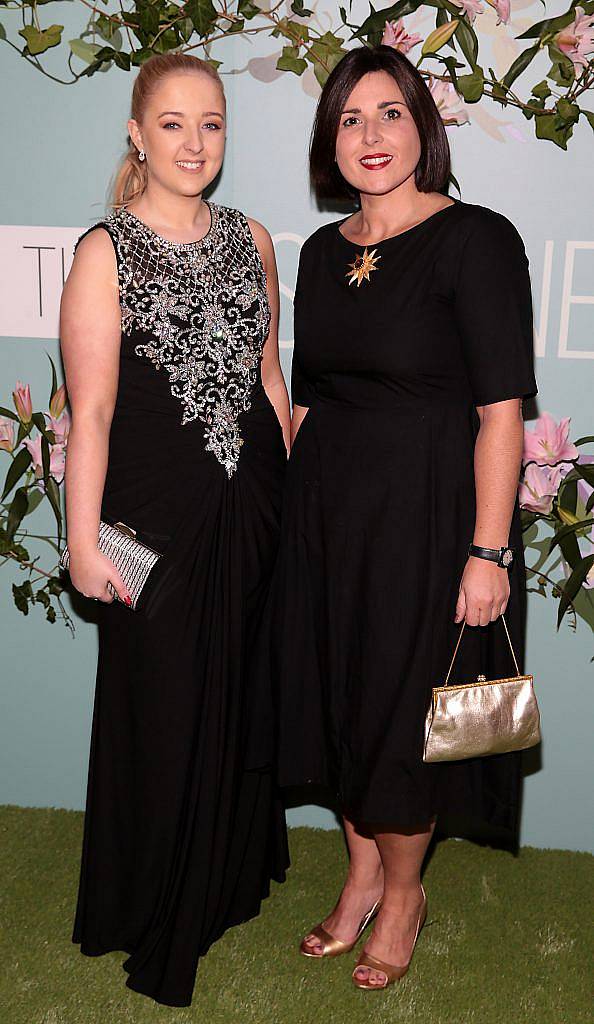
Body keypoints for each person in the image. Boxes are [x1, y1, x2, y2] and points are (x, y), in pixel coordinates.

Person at [271, 45, 537, 991]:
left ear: (422, 126)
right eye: (349, 119)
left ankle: (406, 892)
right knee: (337, 703)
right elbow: (306, 404)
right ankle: (357, 877)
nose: (370, 136)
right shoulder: (315, 252)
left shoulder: (477, 239)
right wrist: (286, 532)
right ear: (329, 143)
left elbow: (501, 412)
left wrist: (488, 551)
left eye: (389, 113)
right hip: (324, 519)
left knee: (401, 714)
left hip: (425, 521)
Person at [60, 52, 290, 1007]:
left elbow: (272, 381)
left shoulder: (255, 239)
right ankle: (153, 902)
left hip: (256, 509)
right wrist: (80, 541)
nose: (195, 143)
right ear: (136, 133)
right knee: (160, 714)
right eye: (173, 124)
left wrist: (296, 509)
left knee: (240, 700)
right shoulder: (103, 252)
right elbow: (94, 413)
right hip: (154, 521)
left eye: (212, 124)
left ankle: (228, 881)